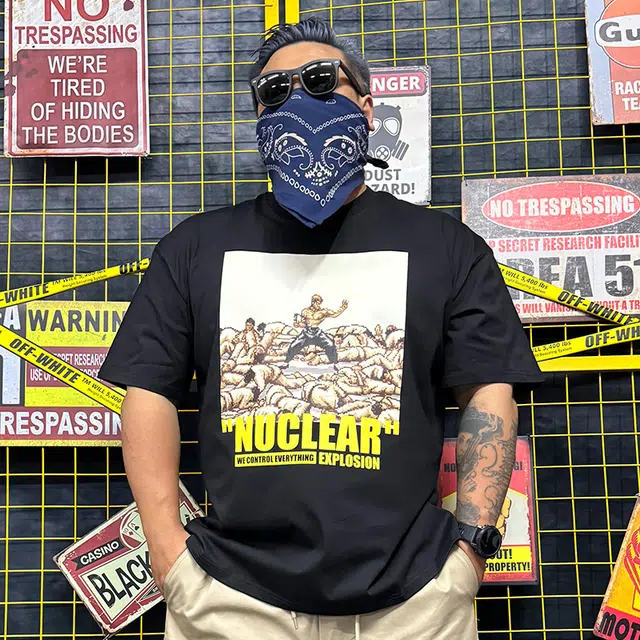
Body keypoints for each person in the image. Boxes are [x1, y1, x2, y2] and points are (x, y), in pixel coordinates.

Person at [98, 17, 544, 640]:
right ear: (259, 117)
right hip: (231, 597)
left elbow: (487, 391)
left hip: (413, 602)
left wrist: (470, 547)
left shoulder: (447, 246)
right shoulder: (195, 247)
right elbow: (148, 392)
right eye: (274, 91)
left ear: (366, 106)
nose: (297, 99)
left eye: (318, 81)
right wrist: (169, 553)